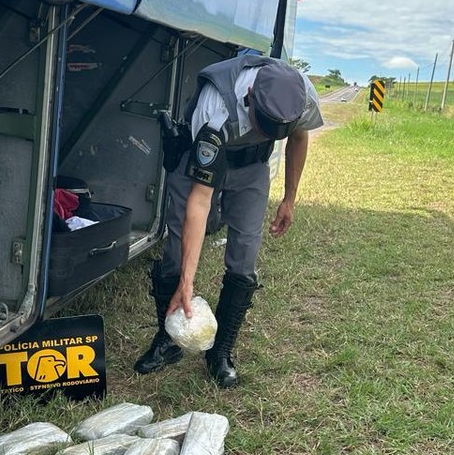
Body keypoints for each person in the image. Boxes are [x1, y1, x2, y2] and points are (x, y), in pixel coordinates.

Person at [134, 55, 323, 387]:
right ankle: (168, 340)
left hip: (251, 167)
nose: (265, 132)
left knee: (245, 252)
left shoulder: (301, 95)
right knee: (177, 252)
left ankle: (220, 352)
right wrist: (187, 280)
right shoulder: (216, 106)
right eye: (262, 124)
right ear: (249, 97)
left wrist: (290, 197)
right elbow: (200, 201)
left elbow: (299, 137)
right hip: (196, 162)